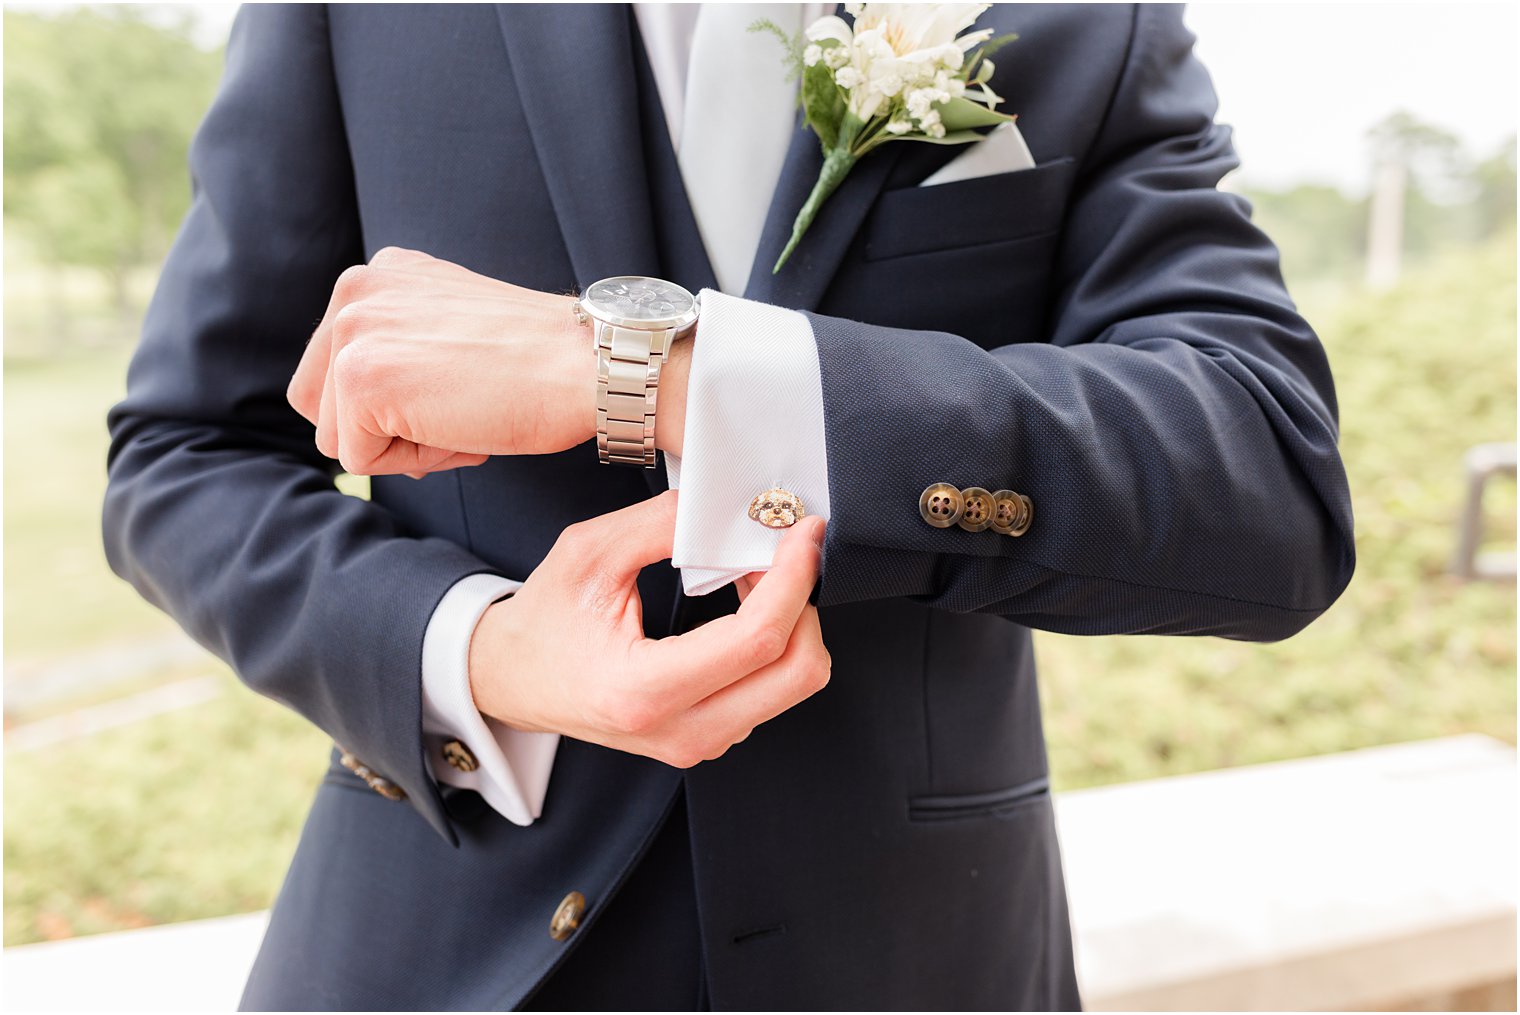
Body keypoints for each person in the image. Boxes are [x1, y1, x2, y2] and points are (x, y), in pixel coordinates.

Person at [103, 3, 1355, 1010]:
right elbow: (184, 450)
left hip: (919, 963)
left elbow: (1265, 475)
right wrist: (477, 649)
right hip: (444, 952)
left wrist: (657, 371)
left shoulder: (1090, 19)